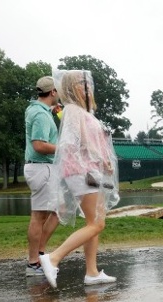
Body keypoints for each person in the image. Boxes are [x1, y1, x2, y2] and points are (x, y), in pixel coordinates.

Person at [39, 70, 120, 288]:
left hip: (91, 172)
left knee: (93, 222)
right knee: (96, 224)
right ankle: (53, 258)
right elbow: (77, 142)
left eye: (87, 83)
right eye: (83, 83)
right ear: (73, 87)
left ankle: (92, 272)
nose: (87, 87)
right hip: (83, 172)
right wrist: (100, 159)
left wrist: (104, 160)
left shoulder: (83, 111)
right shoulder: (74, 110)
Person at [24, 76, 60, 276]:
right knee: (39, 216)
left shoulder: (38, 110)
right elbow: (39, 145)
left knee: (59, 210)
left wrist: (52, 112)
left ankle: (39, 254)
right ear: (52, 92)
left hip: (44, 168)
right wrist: (63, 148)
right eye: (58, 90)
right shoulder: (40, 115)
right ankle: (33, 262)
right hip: (41, 168)